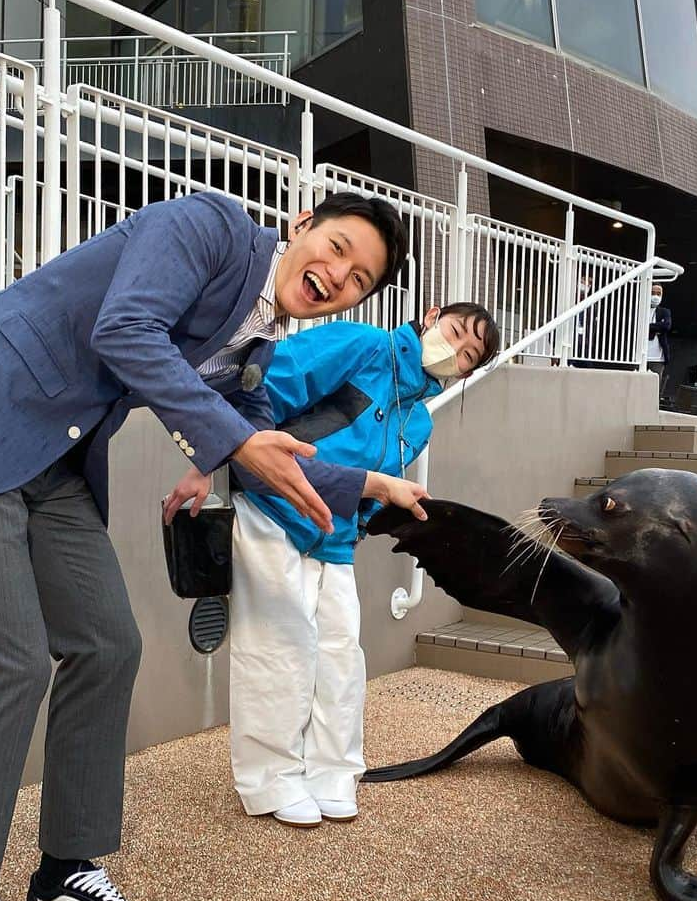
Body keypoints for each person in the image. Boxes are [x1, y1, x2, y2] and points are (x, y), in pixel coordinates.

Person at [0, 189, 427, 901]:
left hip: (50, 458)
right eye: (338, 248)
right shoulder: (205, 227)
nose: (337, 275)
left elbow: (263, 442)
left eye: (358, 281)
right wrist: (231, 438)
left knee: (107, 643)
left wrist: (374, 481)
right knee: (8, 660)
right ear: (301, 224)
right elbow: (125, 327)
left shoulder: (256, 343)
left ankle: (65, 870)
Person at [167, 303, 500, 827]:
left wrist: (365, 517)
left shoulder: (418, 422)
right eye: (455, 332)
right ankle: (271, 779)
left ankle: (333, 773)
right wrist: (205, 462)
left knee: (341, 656)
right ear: (432, 315)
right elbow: (259, 396)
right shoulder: (362, 344)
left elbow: (378, 488)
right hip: (274, 506)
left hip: (336, 534)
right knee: (278, 647)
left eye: (467, 356)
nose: (453, 352)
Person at [646, 283, 672, 397]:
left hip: (658, 358)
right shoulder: (640, 309)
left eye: (658, 293)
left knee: (655, 390)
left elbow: (666, 326)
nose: (655, 296)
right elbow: (637, 326)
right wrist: (657, 327)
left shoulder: (664, 311)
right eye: (653, 293)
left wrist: (649, 326)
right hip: (641, 357)